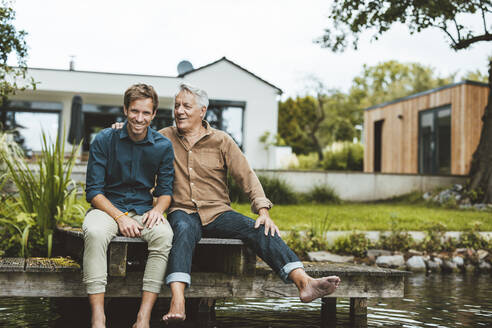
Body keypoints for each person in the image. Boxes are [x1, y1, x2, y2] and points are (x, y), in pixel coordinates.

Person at [114, 83, 341, 323]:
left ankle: (304, 282)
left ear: (202, 111)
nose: (179, 111)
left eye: (186, 106)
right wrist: (123, 130)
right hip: (182, 210)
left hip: (218, 212)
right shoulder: (163, 138)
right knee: (181, 229)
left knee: (259, 228)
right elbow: (136, 139)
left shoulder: (222, 141)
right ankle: (177, 299)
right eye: (177, 105)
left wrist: (263, 211)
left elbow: (247, 176)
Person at [84, 84, 175, 328]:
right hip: (106, 209)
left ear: (154, 114)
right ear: (125, 109)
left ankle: (143, 318)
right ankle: (98, 317)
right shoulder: (104, 139)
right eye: (135, 111)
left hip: (144, 211)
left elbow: (166, 191)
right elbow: (93, 191)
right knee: (94, 232)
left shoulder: (163, 146)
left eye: (146, 113)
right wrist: (120, 217)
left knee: (164, 235)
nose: (139, 118)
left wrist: (158, 210)